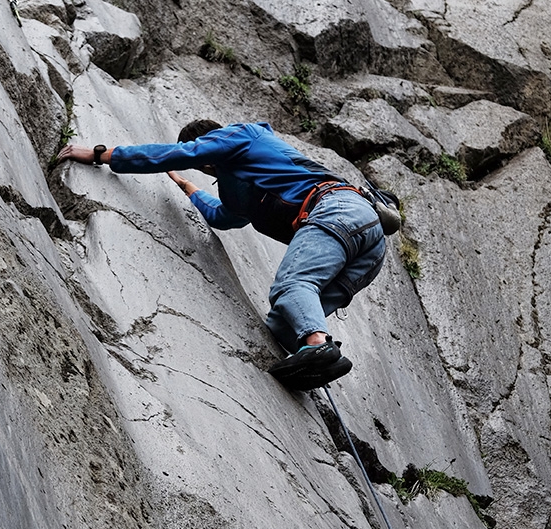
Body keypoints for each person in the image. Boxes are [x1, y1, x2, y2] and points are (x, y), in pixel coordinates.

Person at [58, 120, 386, 391]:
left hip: (337, 208)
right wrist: (189, 189)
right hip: (369, 248)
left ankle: (318, 344)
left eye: (203, 158)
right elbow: (224, 217)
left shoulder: (246, 134)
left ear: (212, 139)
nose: (204, 165)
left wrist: (102, 155)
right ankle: (315, 356)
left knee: (292, 286)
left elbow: (177, 153)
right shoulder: (238, 184)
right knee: (283, 327)